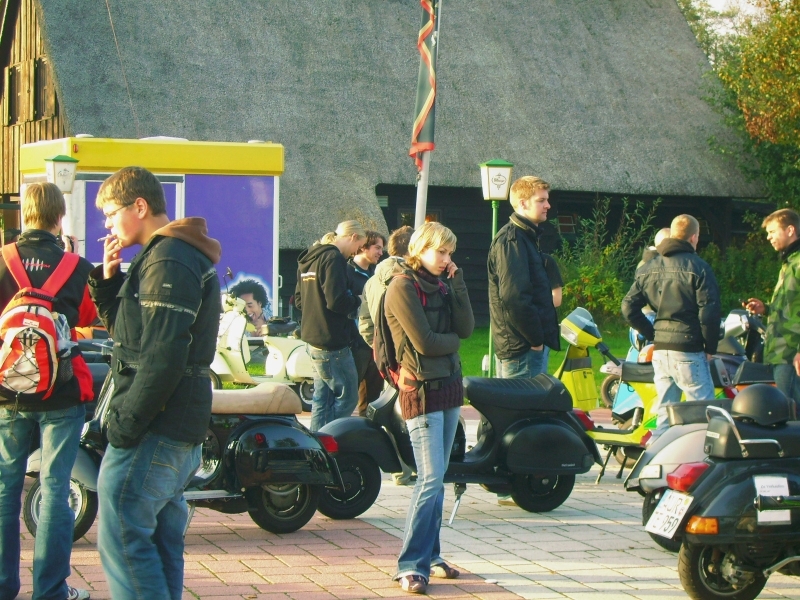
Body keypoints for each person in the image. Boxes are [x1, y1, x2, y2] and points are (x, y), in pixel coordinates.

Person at [89, 166, 222, 600]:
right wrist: (109, 282)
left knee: (123, 533)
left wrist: (125, 425)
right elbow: (134, 338)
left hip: (158, 423)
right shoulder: (170, 254)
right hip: (176, 419)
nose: (107, 225)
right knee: (162, 538)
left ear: (140, 206)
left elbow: (163, 356)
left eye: (111, 213)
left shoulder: (169, 258)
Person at [0, 183, 96, 600]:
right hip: (62, 390)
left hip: (9, 391)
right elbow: (89, 317)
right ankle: (51, 590)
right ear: (60, 217)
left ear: (25, 215)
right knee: (56, 489)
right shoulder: (76, 266)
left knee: (5, 488)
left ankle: (3, 585)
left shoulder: (3, 259)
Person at [385, 222, 474, 594]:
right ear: (419, 250)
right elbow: (425, 343)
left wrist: (458, 283)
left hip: (449, 388)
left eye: (450, 252)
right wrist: (451, 342)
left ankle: (431, 556)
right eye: (440, 251)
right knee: (430, 478)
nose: (445, 259)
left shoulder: (443, 284)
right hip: (420, 391)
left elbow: (466, 328)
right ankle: (410, 565)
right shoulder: (401, 287)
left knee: (437, 480)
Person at [621, 214, 720, 438]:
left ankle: (657, 454)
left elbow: (628, 307)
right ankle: (701, 456)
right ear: (694, 237)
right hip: (688, 347)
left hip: (661, 349)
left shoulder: (649, 267)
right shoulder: (699, 267)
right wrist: (710, 346)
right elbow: (709, 312)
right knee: (703, 414)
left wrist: (653, 333)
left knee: (664, 414)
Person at [359, 225, 415, 485]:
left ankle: (399, 469)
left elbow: (364, 321)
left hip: (386, 357)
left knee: (392, 411)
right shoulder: (409, 278)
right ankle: (417, 465)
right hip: (411, 356)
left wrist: (379, 347)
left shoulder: (371, 281)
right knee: (414, 411)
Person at [487, 176, 560, 379]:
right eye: (541, 200)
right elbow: (515, 297)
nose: (548, 205)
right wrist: (536, 340)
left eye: (547, 200)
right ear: (522, 203)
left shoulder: (525, 237)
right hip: (522, 350)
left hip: (526, 347)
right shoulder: (512, 241)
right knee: (524, 400)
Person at [296, 220, 365, 431]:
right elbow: (336, 301)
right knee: (348, 397)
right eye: (359, 246)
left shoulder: (310, 257)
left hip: (311, 337)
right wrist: (358, 300)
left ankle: (317, 441)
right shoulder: (334, 258)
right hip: (332, 340)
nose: (356, 252)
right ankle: (331, 435)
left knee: (321, 399)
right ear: (353, 237)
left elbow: (298, 300)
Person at [745, 208, 800, 402]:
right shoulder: (788, 263)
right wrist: (766, 309)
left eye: (772, 232)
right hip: (782, 353)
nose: (768, 237)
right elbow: (792, 307)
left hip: (792, 354)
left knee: (791, 410)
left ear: (790, 230)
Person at [348, 231, 387, 416]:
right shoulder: (347, 272)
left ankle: (367, 429)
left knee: (372, 396)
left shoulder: (376, 275)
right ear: (363, 247)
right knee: (349, 397)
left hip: (374, 343)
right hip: (354, 343)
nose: (380, 252)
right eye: (377, 248)